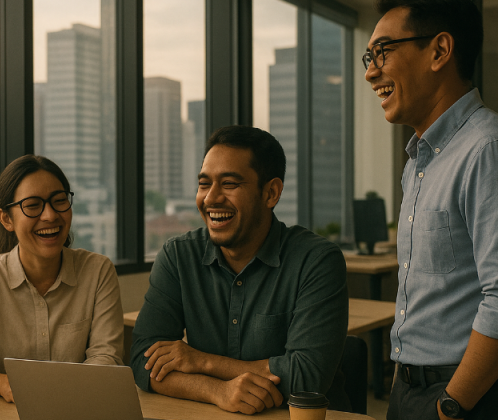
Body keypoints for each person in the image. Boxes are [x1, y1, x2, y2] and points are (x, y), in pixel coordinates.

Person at [363, 1, 498, 418]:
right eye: (369, 57)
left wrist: (450, 407)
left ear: (439, 51)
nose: (370, 71)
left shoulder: (491, 149)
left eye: (382, 52)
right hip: (410, 388)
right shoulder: (420, 163)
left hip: (471, 397)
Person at [129, 126, 349, 415]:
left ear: (271, 193)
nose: (210, 199)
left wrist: (200, 361)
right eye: (204, 184)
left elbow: (306, 377)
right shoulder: (178, 256)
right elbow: (142, 362)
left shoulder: (317, 260)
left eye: (229, 184)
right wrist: (217, 391)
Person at [0, 155, 124, 403]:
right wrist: (7, 384)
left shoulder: (98, 271)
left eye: (59, 201)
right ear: (6, 219)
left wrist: (55, 390)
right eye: (33, 205)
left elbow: (107, 357)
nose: (50, 215)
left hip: (77, 408)